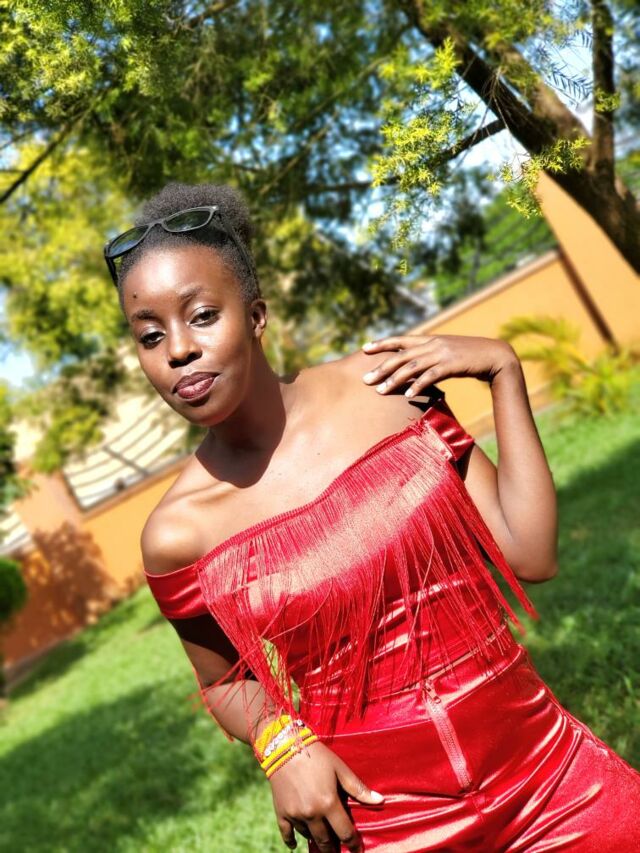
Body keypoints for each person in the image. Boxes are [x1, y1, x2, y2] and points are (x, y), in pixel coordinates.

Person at [105, 182, 640, 852]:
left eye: (203, 315)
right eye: (151, 335)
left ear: (257, 314)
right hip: (387, 826)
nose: (179, 349)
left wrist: (504, 369)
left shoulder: (386, 388)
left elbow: (530, 552)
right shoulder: (177, 533)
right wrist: (279, 744)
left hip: (552, 783)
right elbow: (223, 681)